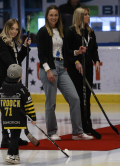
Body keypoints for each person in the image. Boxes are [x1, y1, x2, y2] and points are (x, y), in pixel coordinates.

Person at [36, 5, 93, 141]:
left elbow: (65, 51)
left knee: (75, 98)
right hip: (49, 68)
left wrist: (77, 52)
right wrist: (48, 70)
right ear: (47, 16)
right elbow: (42, 54)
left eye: (56, 15)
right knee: (51, 102)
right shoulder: (43, 32)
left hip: (62, 68)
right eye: (51, 15)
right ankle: (51, 132)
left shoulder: (61, 31)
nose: (54, 17)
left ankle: (77, 132)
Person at [0, 18, 31, 148]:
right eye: (12, 28)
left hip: (12, 79)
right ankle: (5, 138)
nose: (14, 31)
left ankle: (15, 137)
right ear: (7, 28)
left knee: (15, 108)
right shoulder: (2, 41)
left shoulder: (12, 42)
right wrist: (18, 72)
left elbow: (17, 60)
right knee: (6, 109)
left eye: (16, 29)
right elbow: (9, 61)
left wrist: (24, 47)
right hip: (4, 80)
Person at [0, 64, 36, 165]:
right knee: (15, 137)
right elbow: (29, 105)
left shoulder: (1, 89)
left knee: (14, 135)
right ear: (21, 76)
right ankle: (10, 155)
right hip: (18, 118)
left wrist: (3, 111)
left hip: (6, 118)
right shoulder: (23, 90)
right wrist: (32, 118)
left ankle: (16, 155)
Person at [66, 7, 100, 133]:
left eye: (88, 14)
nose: (88, 17)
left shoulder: (90, 32)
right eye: (85, 14)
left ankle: (87, 123)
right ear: (79, 16)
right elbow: (67, 52)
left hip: (88, 67)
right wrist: (75, 61)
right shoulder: (70, 32)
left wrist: (96, 60)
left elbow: (94, 48)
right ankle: (81, 125)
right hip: (75, 69)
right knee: (80, 97)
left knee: (87, 97)